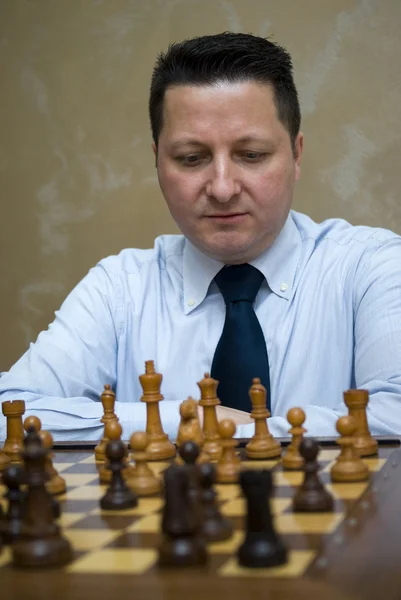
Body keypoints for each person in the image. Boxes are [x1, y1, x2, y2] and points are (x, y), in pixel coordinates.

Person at [1, 32, 401, 442]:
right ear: (157, 161)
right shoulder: (118, 288)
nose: (223, 188)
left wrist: (230, 431)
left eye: (251, 155)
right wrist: (189, 419)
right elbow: (8, 413)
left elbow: (397, 413)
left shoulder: (371, 268)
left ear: (296, 155)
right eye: (192, 158)